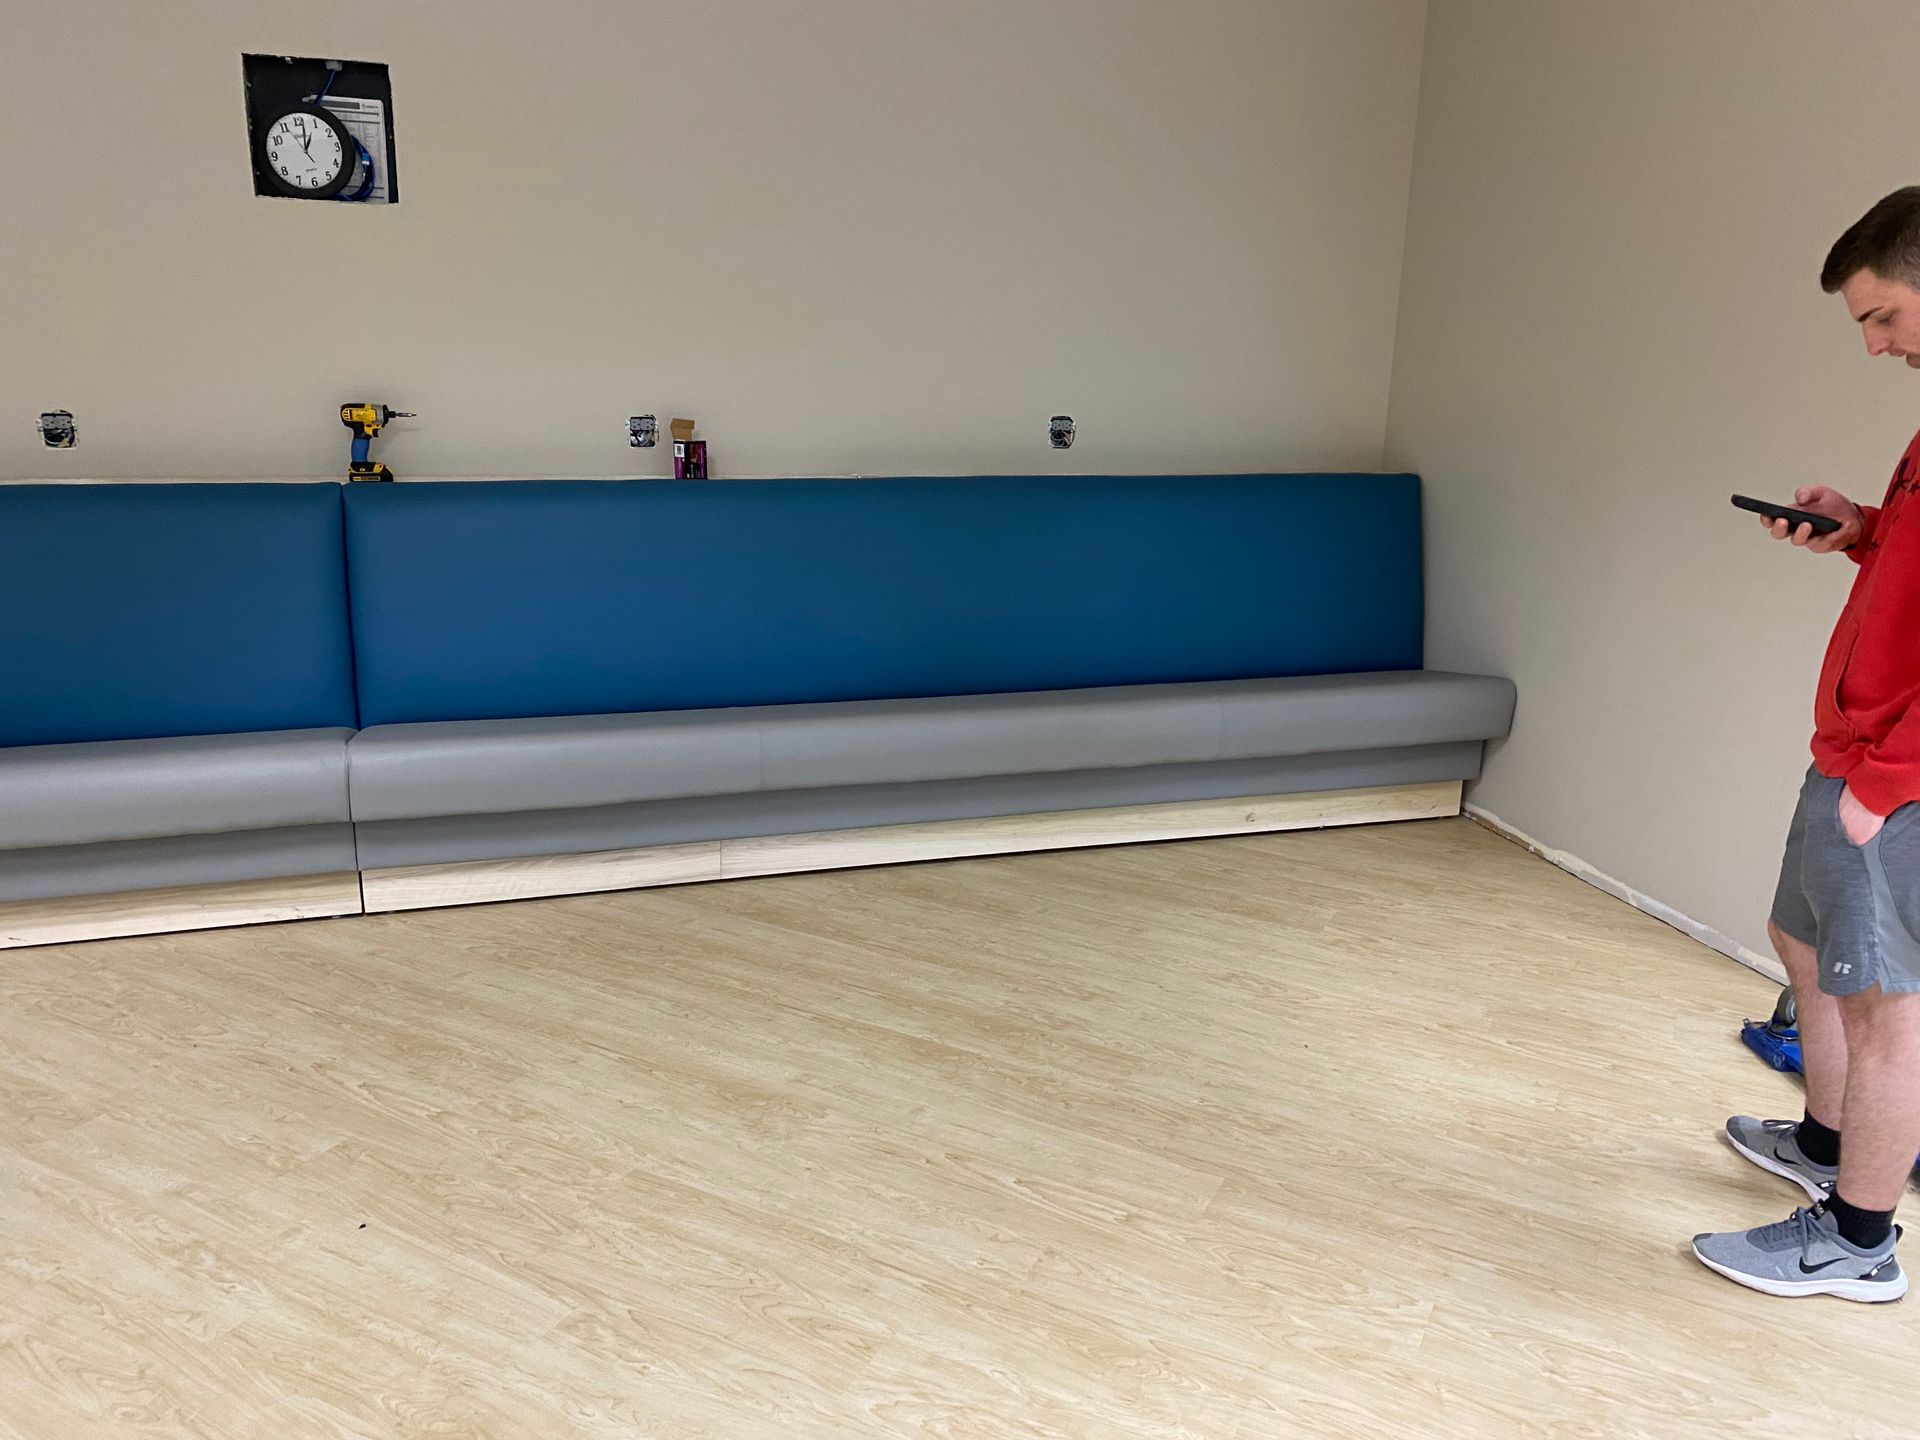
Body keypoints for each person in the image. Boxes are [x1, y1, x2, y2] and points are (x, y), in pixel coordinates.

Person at [1692, 187, 1920, 1302]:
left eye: (1883, 318)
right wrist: (1857, 529)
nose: (1876, 345)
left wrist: (1886, 782)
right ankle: (1826, 1146)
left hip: (1896, 775)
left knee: (1889, 1013)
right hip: (1854, 745)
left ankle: (1860, 1242)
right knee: (1799, 943)